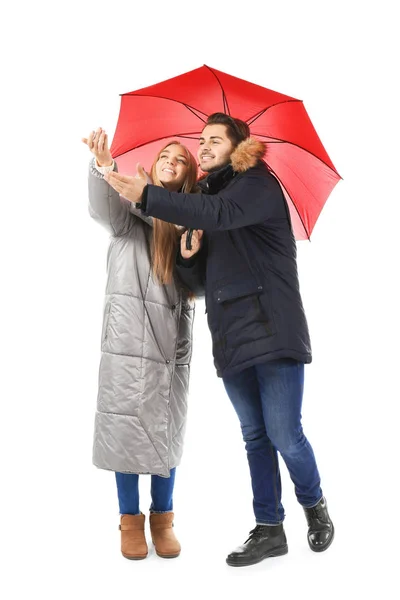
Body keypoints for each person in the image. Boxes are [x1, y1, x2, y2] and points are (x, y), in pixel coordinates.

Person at [104, 113, 335, 567]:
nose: (204, 147)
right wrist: (190, 258)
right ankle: (269, 529)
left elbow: (222, 214)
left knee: (285, 433)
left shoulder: (256, 186)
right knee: (254, 437)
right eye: (202, 141)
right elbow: (203, 278)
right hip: (230, 335)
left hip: (273, 328)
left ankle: (315, 505)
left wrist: (149, 196)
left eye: (214, 140)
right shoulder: (211, 196)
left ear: (238, 146)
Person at [82, 128, 201, 561]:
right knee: (126, 428)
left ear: (189, 176)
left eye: (181, 159)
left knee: (167, 431)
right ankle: (129, 521)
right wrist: (104, 167)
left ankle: (163, 518)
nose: (171, 159)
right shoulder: (127, 215)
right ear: (152, 165)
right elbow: (102, 205)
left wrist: (191, 248)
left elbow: (202, 284)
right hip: (129, 342)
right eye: (165, 154)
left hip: (171, 350)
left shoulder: (192, 226)